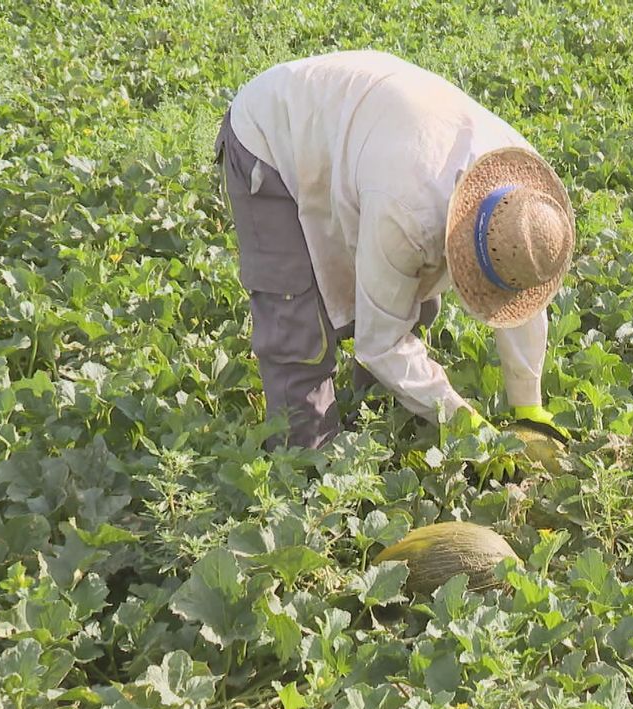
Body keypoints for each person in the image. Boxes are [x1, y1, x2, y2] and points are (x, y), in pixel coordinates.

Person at [214, 50, 573, 478]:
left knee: (411, 298)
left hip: (367, 129)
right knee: (297, 328)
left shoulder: (524, 194)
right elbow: (380, 343)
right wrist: (462, 421)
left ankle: (378, 415)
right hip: (271, 136)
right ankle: (310, 479)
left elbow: (519, 286)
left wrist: (527, 402)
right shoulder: (409, 211)